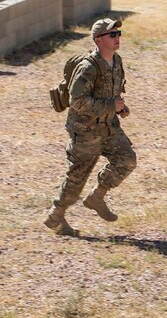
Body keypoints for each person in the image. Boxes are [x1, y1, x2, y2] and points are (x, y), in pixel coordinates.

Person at [44, 18, 137, 236]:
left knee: (127, 160)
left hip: (108, 126)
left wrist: (119, 108)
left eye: (118, 34)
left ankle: (97, 197)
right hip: (85, 131)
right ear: (98, 40)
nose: (117, 38)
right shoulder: (87, 68)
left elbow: (113, 93)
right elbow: (77, 102)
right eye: (111, 35)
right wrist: (109, 105)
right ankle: (56, 217)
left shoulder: (117, 61)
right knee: (77, 178)